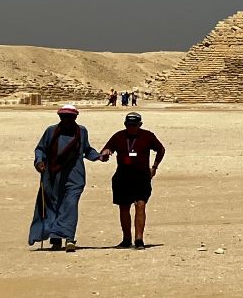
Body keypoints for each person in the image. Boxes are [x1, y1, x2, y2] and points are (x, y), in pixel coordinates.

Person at [31, 104, 100, 250]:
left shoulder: (81, 131)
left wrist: (99, 156)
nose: (66, 120)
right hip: (52, 176)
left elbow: (87, 150)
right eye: (63, 117)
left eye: (69, 117)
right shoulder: (51, 131)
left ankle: (69, 238)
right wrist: (39, 162)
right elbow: (41, 149)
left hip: (75, 176)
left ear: (75, 117)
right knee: (53, 205)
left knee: (70, 204)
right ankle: (55, 239)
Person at [99, 111, 165, 249]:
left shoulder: (148, 136)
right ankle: (126, 239)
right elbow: (106, 149)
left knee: (140, 205)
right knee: (124, 207)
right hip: (122, 176)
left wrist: (154, 166)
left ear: (140, 125)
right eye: (129, 125)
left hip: (141, 177)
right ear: (125, 124)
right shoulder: (119, 136)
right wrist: (105, 153)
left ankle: (139, 239)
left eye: (134, 125)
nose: (131, 128)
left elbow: (161, 149)